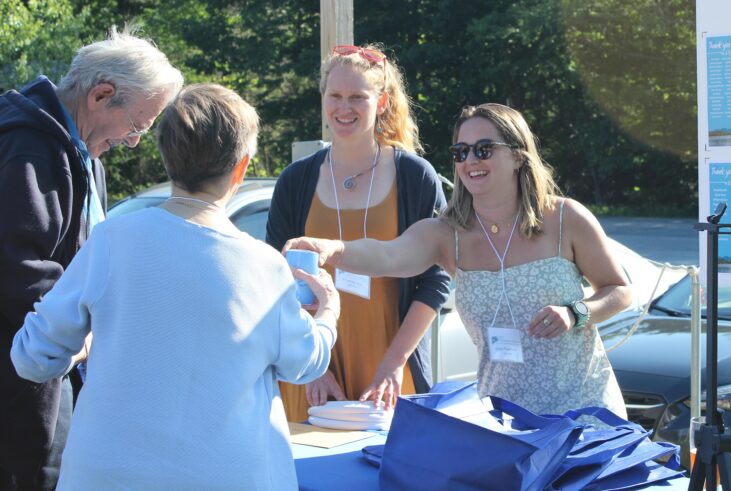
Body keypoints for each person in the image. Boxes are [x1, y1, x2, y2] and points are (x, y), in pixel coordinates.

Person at [10, 84, 340, 490]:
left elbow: (32, 356)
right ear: (241, 168)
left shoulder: (112, 240)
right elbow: (305, 362)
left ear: (167, 158)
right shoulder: (264, 266)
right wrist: (328, 312)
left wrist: (85, 345)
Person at [287, 102, 633, 417]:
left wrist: (576, 312)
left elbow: (619, 290)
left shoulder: (564, 218)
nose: (471, 162)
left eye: (484, 150)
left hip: (584, 413)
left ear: (517, 155)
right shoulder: (446, 234)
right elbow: (386, 255)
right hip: (505, 419)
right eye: (461, 152)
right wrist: (332, 248)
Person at [0, 25, 183, 490]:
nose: (137, 141)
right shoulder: (29, 145)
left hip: (47, 373)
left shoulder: (84, 154)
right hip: (20, 381)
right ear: (101, 95)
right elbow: (18, 265)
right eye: (139, 125)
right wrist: (86, 324)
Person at [266, 44, 450, 418]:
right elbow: (274, 278)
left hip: (391, 370)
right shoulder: (295, 181)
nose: (343, 108)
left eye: (357, 97)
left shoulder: (416, 177)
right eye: (334, 96)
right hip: (312, 371)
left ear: (381, 102)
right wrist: (311, 367)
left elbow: (437, 279)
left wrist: (394, 363)